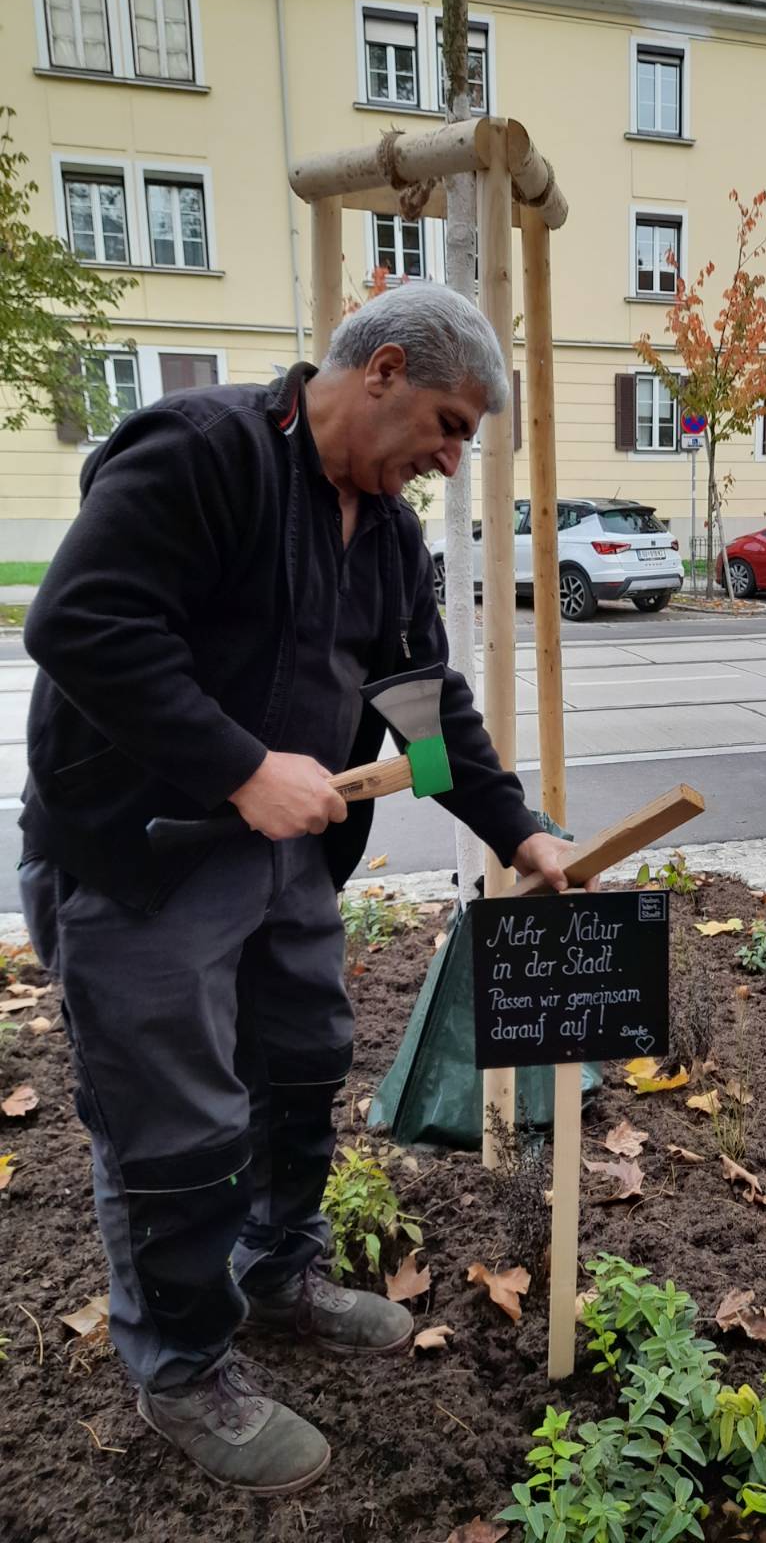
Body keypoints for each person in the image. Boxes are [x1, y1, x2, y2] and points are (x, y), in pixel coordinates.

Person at [19, 283, 580, 1495]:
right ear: (380, 369)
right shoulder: (204, 451)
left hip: (282, 867)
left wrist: (516, 829)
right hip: (142, 857)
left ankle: (277, 1275)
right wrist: (240, 767)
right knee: (176, 1122)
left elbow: (423, 710)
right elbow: (79, 623)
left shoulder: (383, 535)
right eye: (446, 422)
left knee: (304, 1056)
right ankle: (180, 1365)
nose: (448, 456)